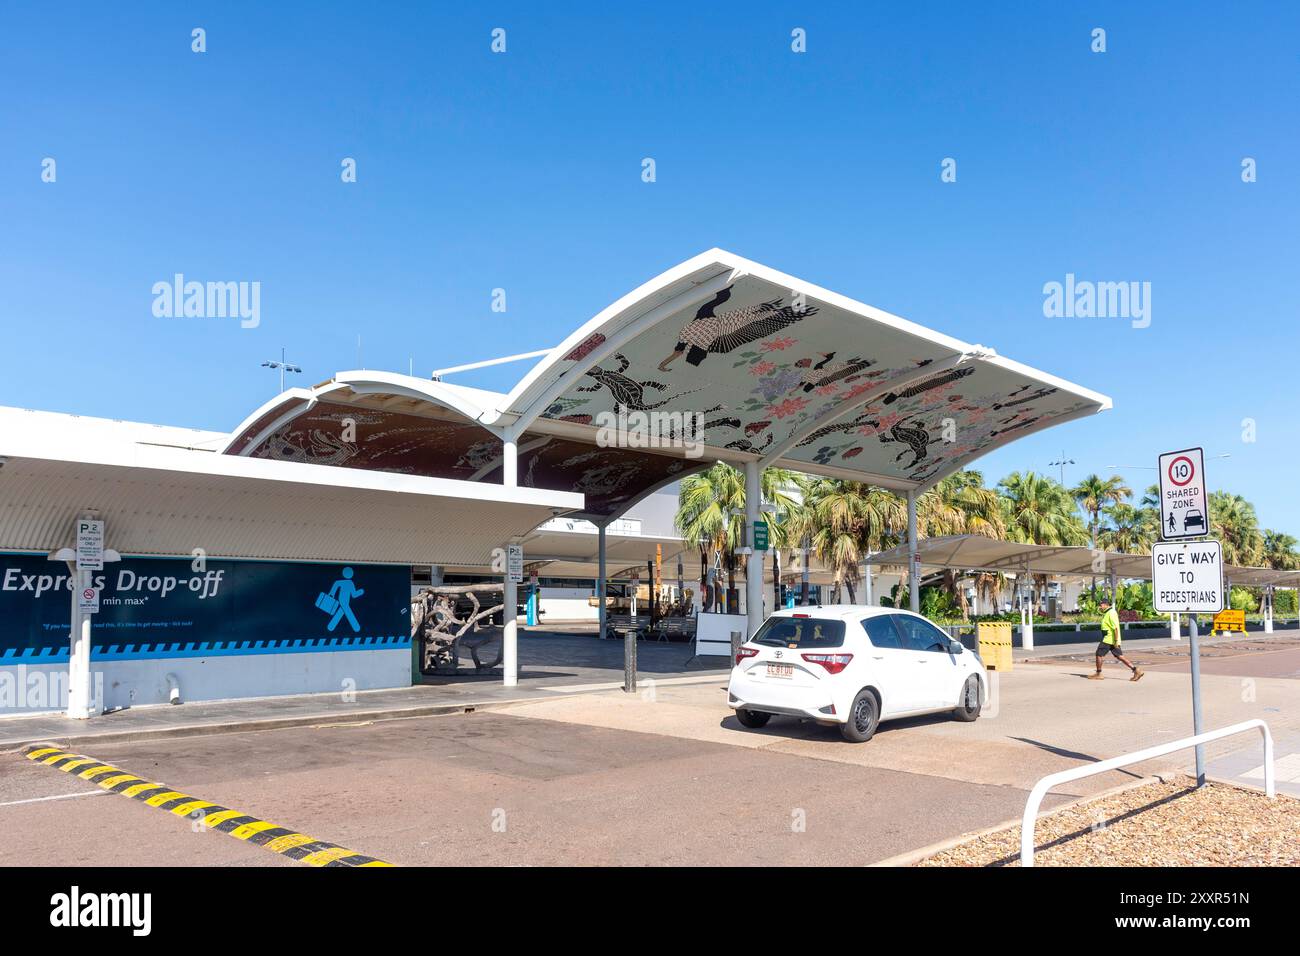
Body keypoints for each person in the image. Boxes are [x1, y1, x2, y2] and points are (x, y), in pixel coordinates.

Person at [1089, 597, 1143, 681]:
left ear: (1105, 604)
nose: (1100, 606)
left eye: (1101, 605)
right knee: (1120, 656)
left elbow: (1116, 628)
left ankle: (1098, 673)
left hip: (1109, 639)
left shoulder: (1111, 613)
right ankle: (1136, 670)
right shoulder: (1108, 612)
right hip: (1110, 639)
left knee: (1099, 654)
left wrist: (1115, 641)